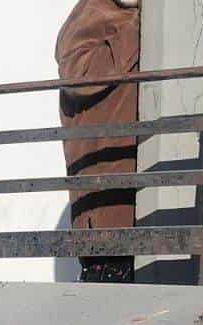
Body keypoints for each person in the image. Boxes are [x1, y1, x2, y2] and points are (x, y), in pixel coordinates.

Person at [55, 0, 142, 284]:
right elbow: (78, 77)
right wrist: (138, 29)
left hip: (139, 183)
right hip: (105, 191)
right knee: (108, 292)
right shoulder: (91, 14)